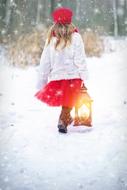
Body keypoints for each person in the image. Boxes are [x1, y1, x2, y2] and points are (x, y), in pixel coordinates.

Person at [35, 7, 88, 133]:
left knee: (68, 99)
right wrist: (83, 74)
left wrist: (42, 79)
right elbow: (80, 58)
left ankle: (66, 118)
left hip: (58, 77)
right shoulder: (76, 37)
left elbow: (45, 62)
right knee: (70, 98)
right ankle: (63, 120)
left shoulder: (51, 39)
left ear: (55, 22)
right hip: (73, 76)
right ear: (70, 21)